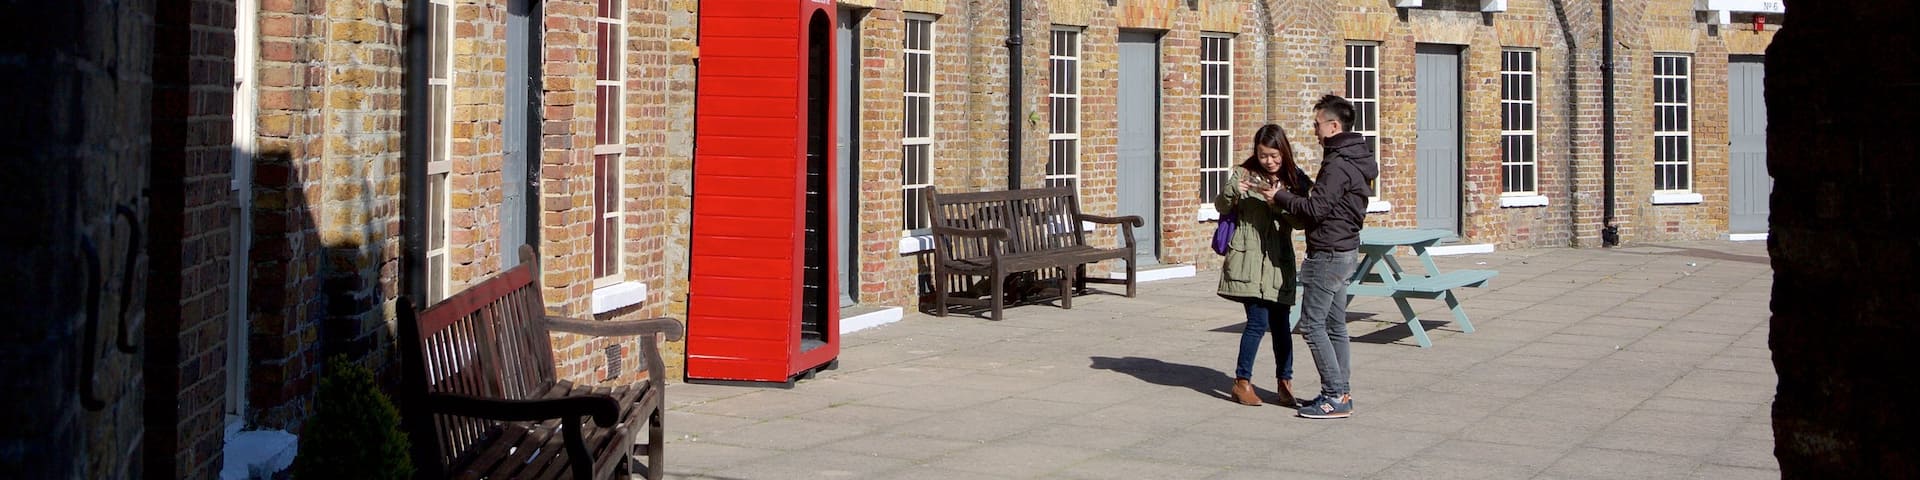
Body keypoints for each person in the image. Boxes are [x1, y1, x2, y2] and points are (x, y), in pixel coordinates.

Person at [1254, 95, 1378, 419]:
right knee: (1335, 325)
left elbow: (1315, 210)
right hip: (1344, 249)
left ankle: (1334, 394)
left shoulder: (1338, 164)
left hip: (1329, 254)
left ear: (1334, 126)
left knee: (1311, 326)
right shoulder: (1351, 157)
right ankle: (1343, 391)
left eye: (1317, 124)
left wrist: (1278, 196)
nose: (1314, 130)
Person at [1215, 124, 1311, 407]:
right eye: (1263, 155)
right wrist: (1234, 190)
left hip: (1278, 262)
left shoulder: (1295, 179)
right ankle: (1242, 382)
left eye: (1273, 155)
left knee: (1282, 324)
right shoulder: (1243, 173)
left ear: (1283, 151)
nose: (1268, 161)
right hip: (1248, 261)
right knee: (1257, 322)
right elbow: (1221, 206)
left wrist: (1279, 202)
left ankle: (1285, 382)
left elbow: (1302, 221)